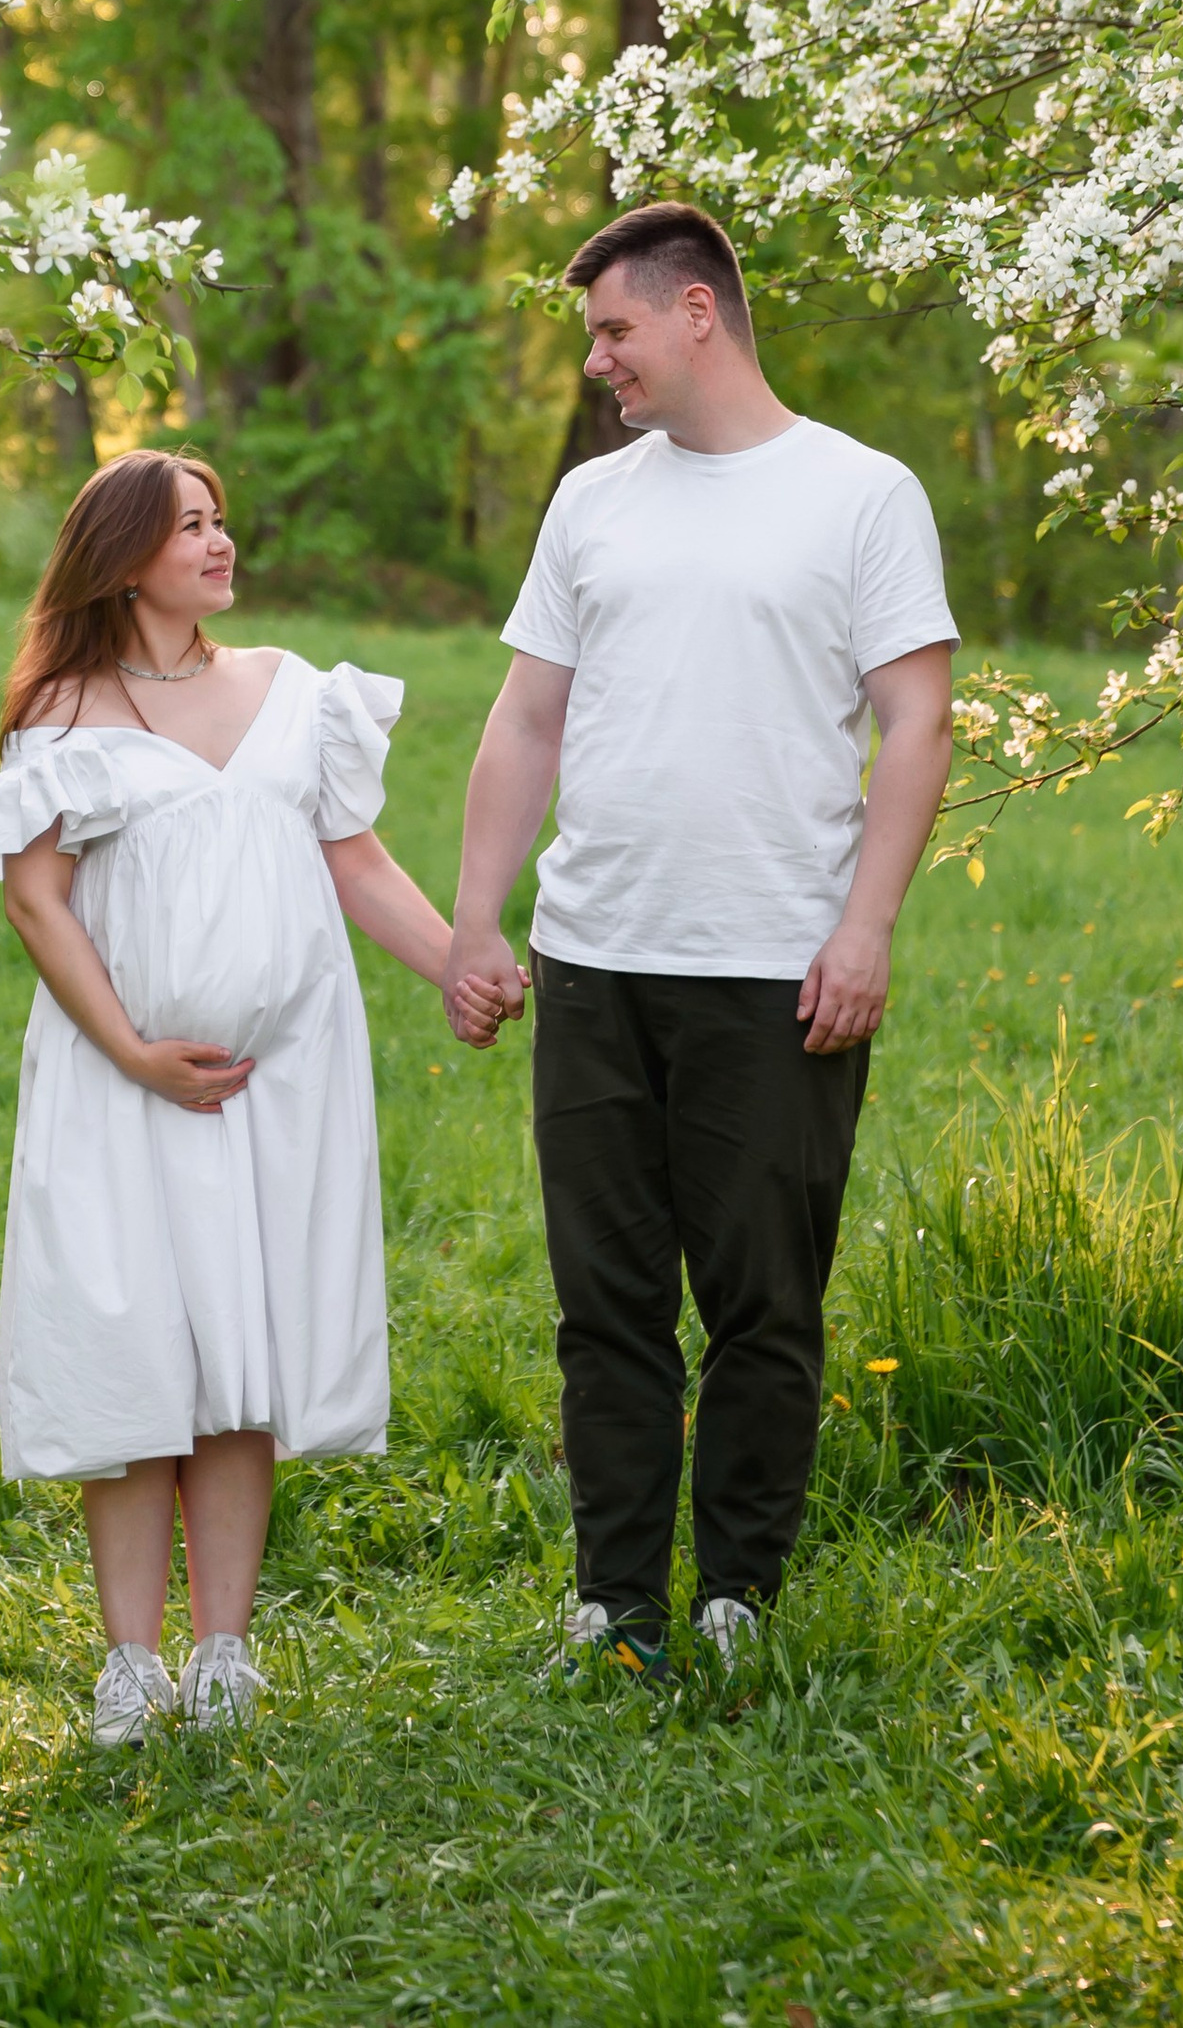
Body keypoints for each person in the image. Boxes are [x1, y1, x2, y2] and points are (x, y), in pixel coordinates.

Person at [444, 202, 957, 1684]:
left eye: (612, 330)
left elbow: (917, 719)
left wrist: (866, 927)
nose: (598, 361)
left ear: (695, 315)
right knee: (604, 1305)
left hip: (777, 967)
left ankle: (736, 1592)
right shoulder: (594, 504)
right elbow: (527, 716)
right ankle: (616, 1604)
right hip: (597, 958)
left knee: (761, 1300)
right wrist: (482, 916)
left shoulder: (859, 493)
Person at [0, 448, 459, 1747]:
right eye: (191, 526)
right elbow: (33, 896)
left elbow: (357, 861)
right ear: (125, 557)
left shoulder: (293, 692)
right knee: (137, 1355)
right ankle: (133, 1663)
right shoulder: (69, 706)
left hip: (276, 1081)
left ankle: (224, 1652)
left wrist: (463, 963)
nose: (222, 542)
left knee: (245, 1357)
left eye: (223, 520)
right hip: (121, 1081)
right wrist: (129, 1050)